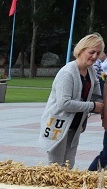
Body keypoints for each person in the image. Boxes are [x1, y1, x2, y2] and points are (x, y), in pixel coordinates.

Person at [38, 33, 104, 169]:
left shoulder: (90, 71)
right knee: (56, 168)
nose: (95, 57)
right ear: (81, 50)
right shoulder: (67, 73)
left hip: (75, 125)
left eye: (98, 53)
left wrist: (100, 103)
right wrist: (92, 106)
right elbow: (64, 104)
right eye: (91, 52)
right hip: (58, 125)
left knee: (69, 165)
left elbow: (97, 94)